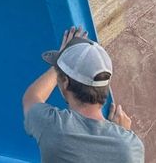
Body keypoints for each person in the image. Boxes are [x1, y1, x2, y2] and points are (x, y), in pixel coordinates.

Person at [22, 26, 144, 162]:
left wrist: (59, 63)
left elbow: (31, 97)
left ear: (65, 83)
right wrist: (124, 134)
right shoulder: (131, 147)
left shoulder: (52, 126)